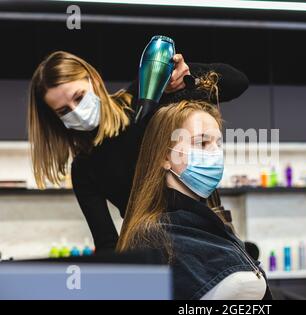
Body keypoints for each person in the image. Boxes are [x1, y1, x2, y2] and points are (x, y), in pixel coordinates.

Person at [27, 50, 249, 251]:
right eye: (64, 110)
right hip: (155, 248)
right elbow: (107, 243)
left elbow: (237, 82)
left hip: (210, 231)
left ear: (93, 80)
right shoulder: (84, 168)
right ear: (55, 119)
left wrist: (188, 81)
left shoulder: (146, 98)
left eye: (79, 97)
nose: (77, 111)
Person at [116, 100, 272, 300]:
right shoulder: (152, 236)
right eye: (202, 143)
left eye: (218, 143)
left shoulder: (215, 226)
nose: (215, 153)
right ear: (164, 156)